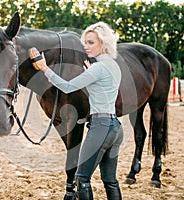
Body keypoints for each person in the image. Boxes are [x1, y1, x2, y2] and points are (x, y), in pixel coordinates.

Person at [29, 22, 123, 200]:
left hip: (100, 127)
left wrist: (45, 68)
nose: (85, 47)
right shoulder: (113, 66)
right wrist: (91, 73)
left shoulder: (97, 69)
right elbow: (104, 86)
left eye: (90, 43)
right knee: (110, 181)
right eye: (85, 42)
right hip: (116, 128)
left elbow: (67, 86)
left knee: (81, 179)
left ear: (103, 44)